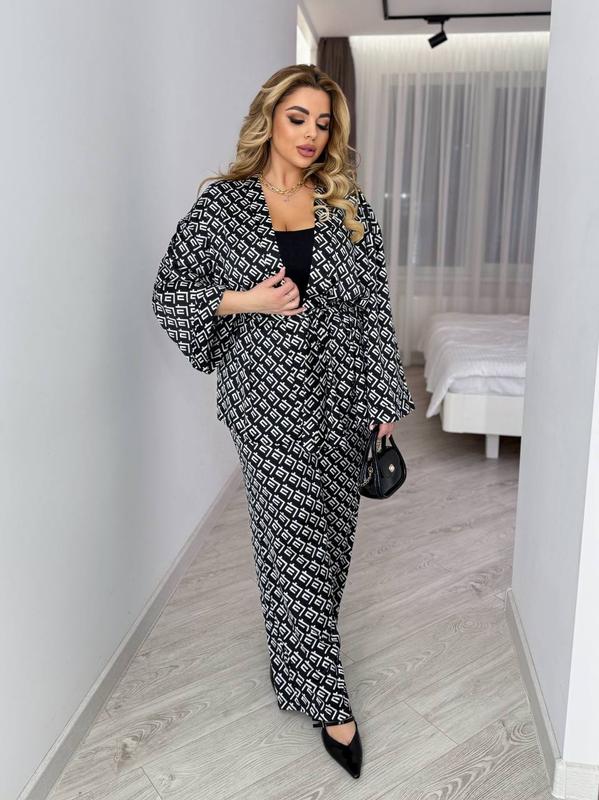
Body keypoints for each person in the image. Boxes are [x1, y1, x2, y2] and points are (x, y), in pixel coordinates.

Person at [151, 63, 415, 780]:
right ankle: (330, 702)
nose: (310, 135)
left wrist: (383, 403)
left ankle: (294, 662)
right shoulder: (223, 206)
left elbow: (373, 312)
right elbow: (172, 294)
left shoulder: (347, 206)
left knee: (329, 545)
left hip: (344, 398)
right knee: (290, 545)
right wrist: (248, 301)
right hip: (266, 404)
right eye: (298, 118)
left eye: (323, 123)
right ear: (268, 118)